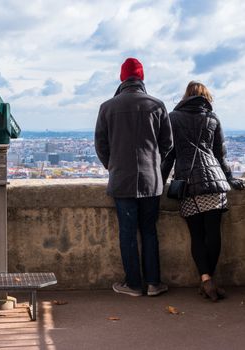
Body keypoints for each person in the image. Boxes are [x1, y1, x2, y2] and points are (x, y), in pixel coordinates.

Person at [95, 58, 173, 297]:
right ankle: (153, 283)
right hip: (151, 181)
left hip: (121, 180)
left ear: (122, 78)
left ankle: (133, 284)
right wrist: (154, 166)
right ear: (141, 78)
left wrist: (113, 165)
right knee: (149, 231)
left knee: (127, 233)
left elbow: (101, 144)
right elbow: (167, 144)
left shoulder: (107, 107)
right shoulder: (157, 105)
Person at [161, 81, 244, 301]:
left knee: (197, 235)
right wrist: (230, 179)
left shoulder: (173, 118)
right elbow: (221, 155)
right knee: (213, 233)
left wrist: (159, 181)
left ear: (185, 96)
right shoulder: (212, 118)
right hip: (214, 183)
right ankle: (210, 281)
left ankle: (206, 279)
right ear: (206, 97)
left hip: (188, 184)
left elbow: (169, 155)